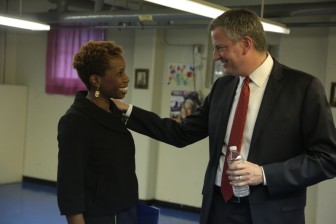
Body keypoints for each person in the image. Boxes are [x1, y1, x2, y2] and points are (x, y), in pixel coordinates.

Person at [112, 8, 336, 224]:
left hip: (272, 212)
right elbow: (181, 133)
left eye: (220, 48)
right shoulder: (223, 87)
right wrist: (127, 112)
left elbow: (327, 159)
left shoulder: (303, 88)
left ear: (246, 44)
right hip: (219, 208)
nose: (215, 56)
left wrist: (264, 173)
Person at [57, 40, 138, 224]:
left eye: (124, 72)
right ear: (96, 80)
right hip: (102, 217)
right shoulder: (75, 122)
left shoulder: (115, 113)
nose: (126, 78)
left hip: (128, 212)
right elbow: (69, 184)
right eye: (119, 73)